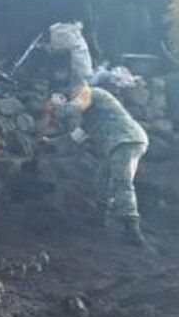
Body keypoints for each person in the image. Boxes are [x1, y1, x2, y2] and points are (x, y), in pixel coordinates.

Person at [45, 81, 149, 247]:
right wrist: (49, 142)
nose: (71, 96)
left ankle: (132, 228)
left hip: (126, 140)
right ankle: (100, 217)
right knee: (103, 177)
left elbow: (72, 108)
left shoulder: (93, 92)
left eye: (71, 93)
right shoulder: (89, 119)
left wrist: (56, 106)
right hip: (119, 144)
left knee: (122, 182)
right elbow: (74, 138)